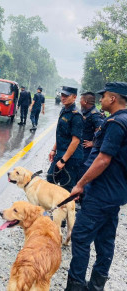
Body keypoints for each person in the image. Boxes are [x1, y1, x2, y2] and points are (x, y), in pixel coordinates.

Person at [65, 82, 127, 291]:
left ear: (113, 99)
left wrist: (80, 184)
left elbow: (102, 159)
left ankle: (75, 286)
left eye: (104, 96)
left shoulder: (116, 123)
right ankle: (96, 287)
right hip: (115, 194)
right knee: (105, 241)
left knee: (81, 237)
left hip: (100, 193)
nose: (101, 100)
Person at [47, 86, 83, 193]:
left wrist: (63, 160)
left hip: (71, 158)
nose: (63, 98)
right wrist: (54, 150)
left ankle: (64, 208)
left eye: (66, 96)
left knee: (66, 187)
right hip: (61, 153)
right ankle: (52, 206)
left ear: (74, 97)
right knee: (50, 179)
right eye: (62, 95)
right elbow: (61, 134)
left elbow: (75, 141)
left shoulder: (76, 115)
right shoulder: (64, 110)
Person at [79, 91, 104, 174]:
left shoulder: (95, 114)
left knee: (83, 170)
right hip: (81, 147)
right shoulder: (84, 111)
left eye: (81, 99)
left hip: (88, 150)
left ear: (85, 102)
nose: (79, 101)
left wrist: (93, 142)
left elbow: (100, 130)